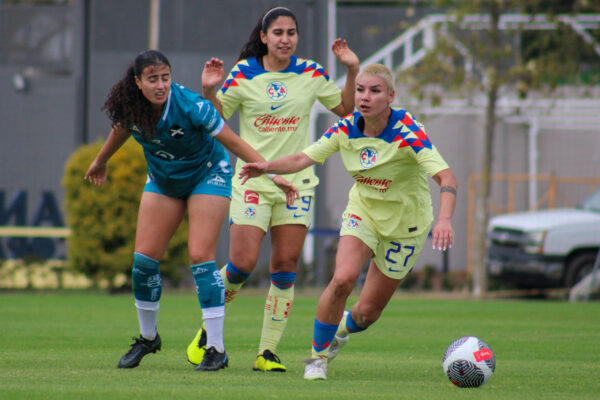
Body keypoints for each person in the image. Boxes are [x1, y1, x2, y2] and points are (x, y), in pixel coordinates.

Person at [238, 63, 458, 380]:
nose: (365, 97)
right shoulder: (345, 128)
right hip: (362, 215)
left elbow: (446, 176)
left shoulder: (407, 131)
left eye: (375, 91)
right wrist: (266, 166)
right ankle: (317, 359)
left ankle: (342, 328)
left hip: (406, 228)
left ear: (391, 96)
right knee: (342, 279)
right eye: (360, 90)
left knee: (368, 313)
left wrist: (445, 219)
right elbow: (303, 158)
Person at [84, 50, 297, 372]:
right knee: (143, 262)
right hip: (164, 179)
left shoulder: (190, 105)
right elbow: (120, 131)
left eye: (165, 78)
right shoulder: (131, 108)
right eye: (152, 79)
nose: (160, 85)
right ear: (137, 82)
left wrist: (272, 173)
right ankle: (147, 338)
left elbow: (233, 141)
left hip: (208, 174)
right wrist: (100, 162)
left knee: (200, 256)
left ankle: (216, 348)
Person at [186, 6, 360, 372]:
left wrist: (351, 69)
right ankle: (208, 330)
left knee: (284, 267)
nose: (285, 39)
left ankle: (266, 353)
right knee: (243, 264)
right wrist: (209, 90)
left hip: (296, 184)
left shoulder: (311, 72)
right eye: (278, 33)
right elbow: (216, 120)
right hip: (252, 181)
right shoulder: (244, 73)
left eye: (291, 33)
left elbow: (345, 108)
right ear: (263, 37)